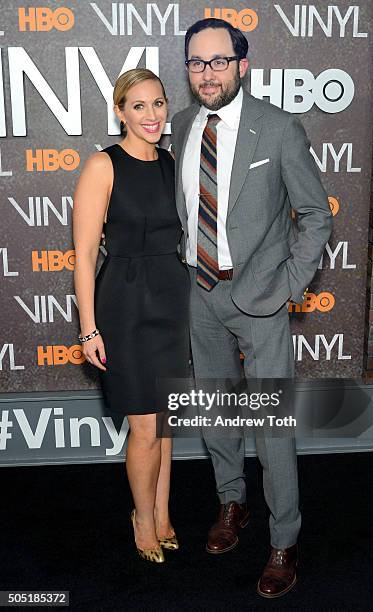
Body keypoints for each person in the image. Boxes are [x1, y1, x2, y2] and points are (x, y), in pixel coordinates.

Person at [171, 18, 333, 597]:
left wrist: (291, 284)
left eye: (218, 61)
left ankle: (284, 539)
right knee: (216, 413)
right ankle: (231, 503)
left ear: (242, 65)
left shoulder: (280, 128)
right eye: (196, 63)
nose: (206, 73)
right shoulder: (184, 125)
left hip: (261, 297)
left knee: (270, 426)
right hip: (200, 291)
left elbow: (316, 215)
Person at [73, 68, 190, 564]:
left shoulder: (171, 164)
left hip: (173, 301)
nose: (151, 115)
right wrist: (88, 327)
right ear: (119, 111)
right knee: (144, 426)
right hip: (124, 305)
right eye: (138, 106)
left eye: (159, 103)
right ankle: (142, 520)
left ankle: (163, 516)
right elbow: (82, 256)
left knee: (163, 423)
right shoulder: (103, 165)